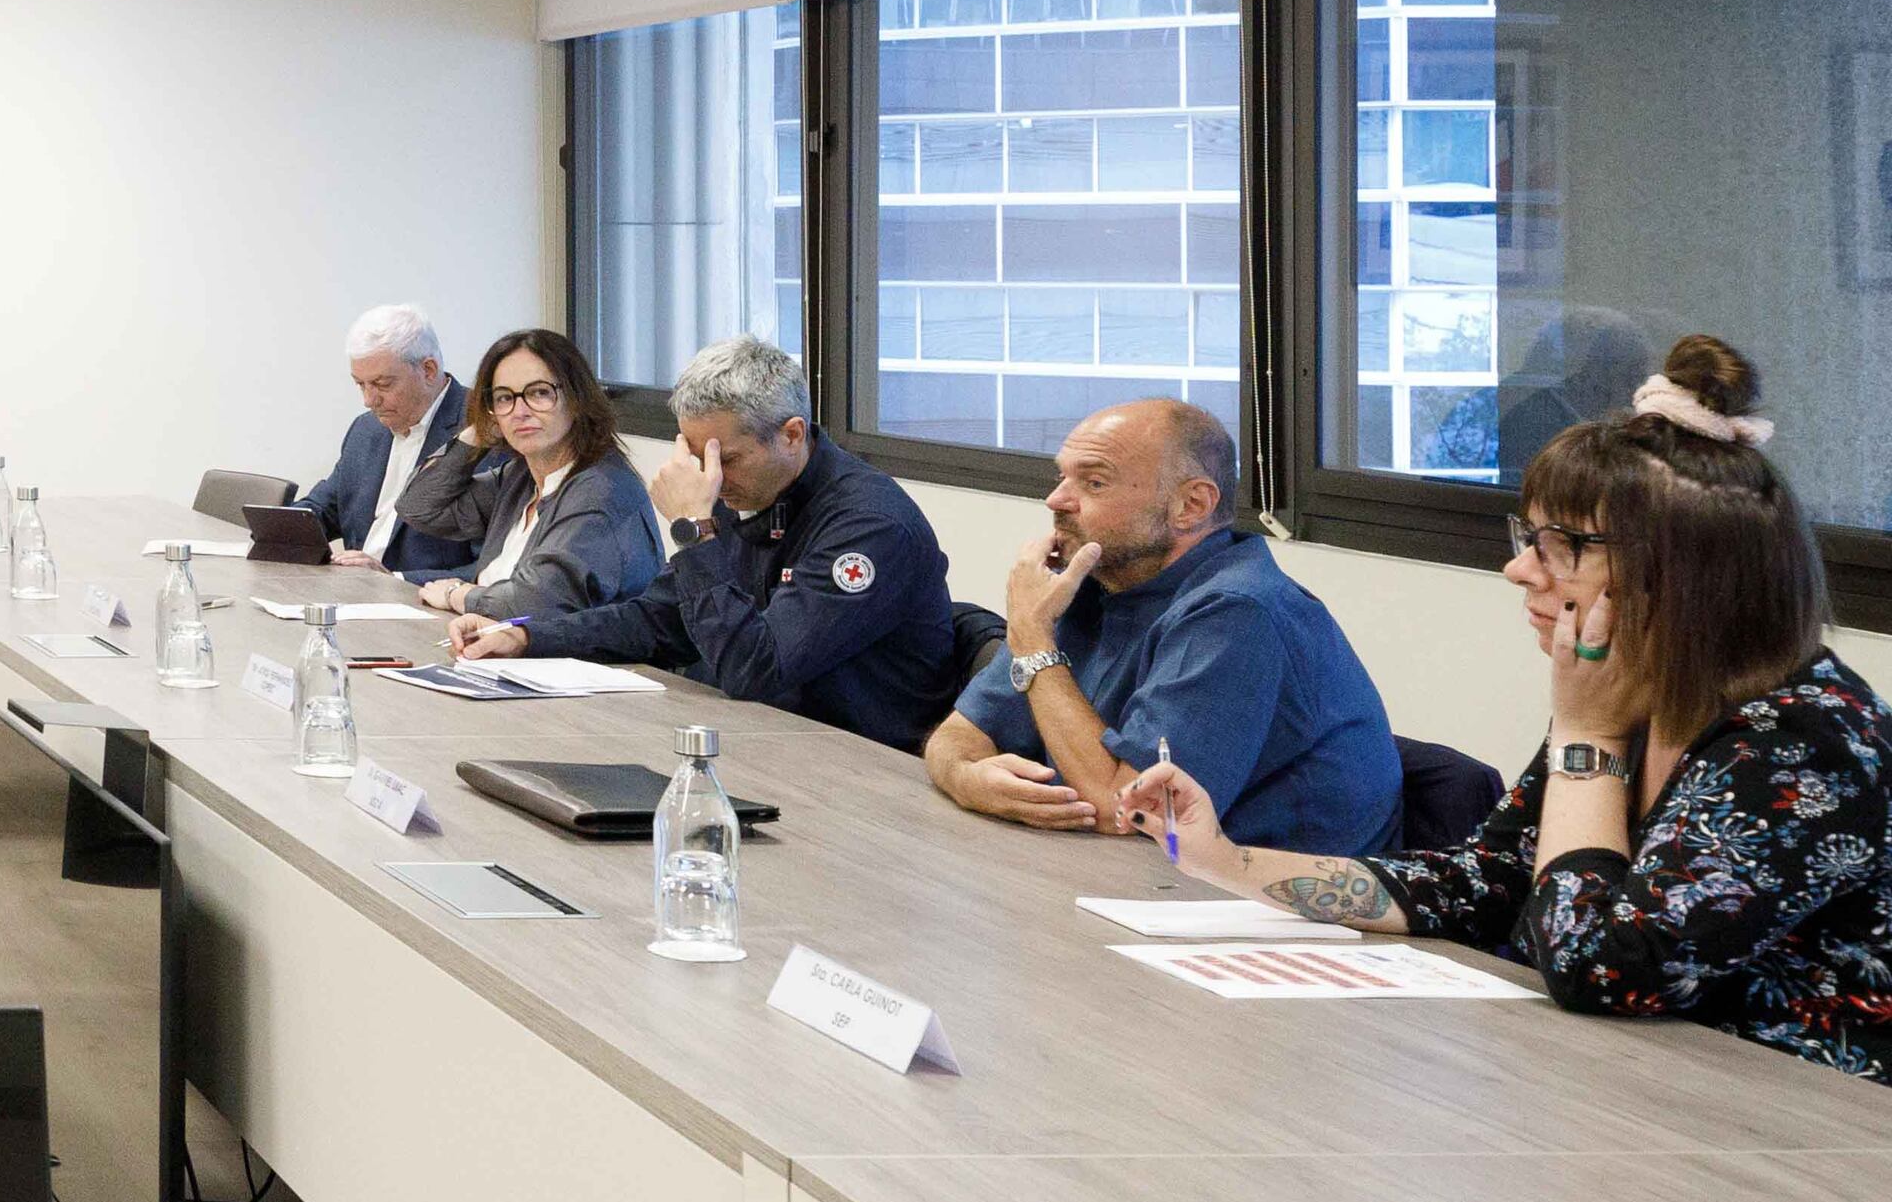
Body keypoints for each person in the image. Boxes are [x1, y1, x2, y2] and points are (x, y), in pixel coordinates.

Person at [1129, 337, 1890, 1081]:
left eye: (1560, 545)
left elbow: (1599, 966)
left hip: (1802, 1137)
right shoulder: (1634, 694)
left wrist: (1587, 737)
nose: (1518, 569)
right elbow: (1485, 885)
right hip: (1639, 1090)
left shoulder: (1805, 739)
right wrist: (1227, 861)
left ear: (1679, 573)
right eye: (1527, 537)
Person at [926, 398, 1396, 851]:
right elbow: (956, 736)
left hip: (1265, 912)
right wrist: (967, 778)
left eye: (1093, 483)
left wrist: (1031, 639)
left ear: (1191, 505)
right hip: (1132, 878)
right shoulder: (1092, 580)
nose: (1056, 499)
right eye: (1061, 476)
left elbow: (1125, 813)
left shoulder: (1237, 612)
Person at [455, 335, 959, 750]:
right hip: (757, 740)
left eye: (727, 459)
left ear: (791, 434)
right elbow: (659, 618)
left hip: (857, 762)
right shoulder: (743, 489)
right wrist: (529, 636)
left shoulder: (868, 524)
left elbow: (756, 669)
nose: (709, 478)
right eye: (696, 457)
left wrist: (693, 532)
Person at [412, 328, 658, 629]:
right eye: (504, 398)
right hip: (501, 650)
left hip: (588, 668)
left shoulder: (601, 490)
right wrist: (475, 434)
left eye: (539, 393)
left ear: (577, 398)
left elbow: (533, 604)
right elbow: (420, 507)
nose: (520, 411)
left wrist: (456, 594)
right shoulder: (521, 477)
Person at [302, 304, 505, 582]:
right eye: (360, 385)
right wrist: (280, 529)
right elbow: (328, 509)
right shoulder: (366, 429)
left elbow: (493, 569)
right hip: (352, 594)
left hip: (423, 607)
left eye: (382, 384)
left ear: (429, 370)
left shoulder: (486, 432)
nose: (369, 400)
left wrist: (393, 580)